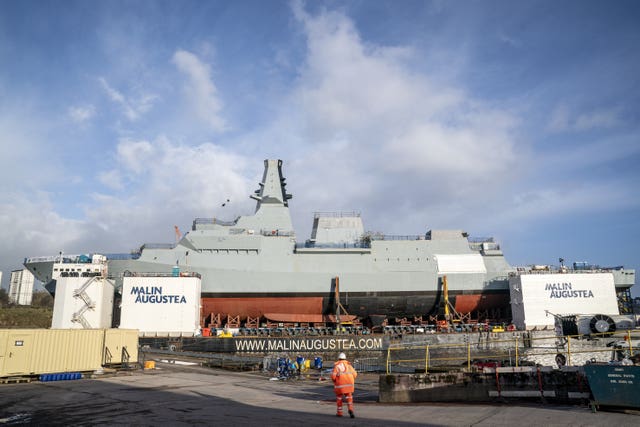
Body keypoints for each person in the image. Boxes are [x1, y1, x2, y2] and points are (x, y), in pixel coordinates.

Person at [331, 352, 358, 418]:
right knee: (349, 398)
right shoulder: (349, 366)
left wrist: (335, 381)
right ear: (345, 358)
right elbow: (355, 374)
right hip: (349, 385)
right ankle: (350, 410)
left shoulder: (337, 366)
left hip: (340, 386)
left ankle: (339, 412)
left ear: (339, 359)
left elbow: (333, 376)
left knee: (339, 398)